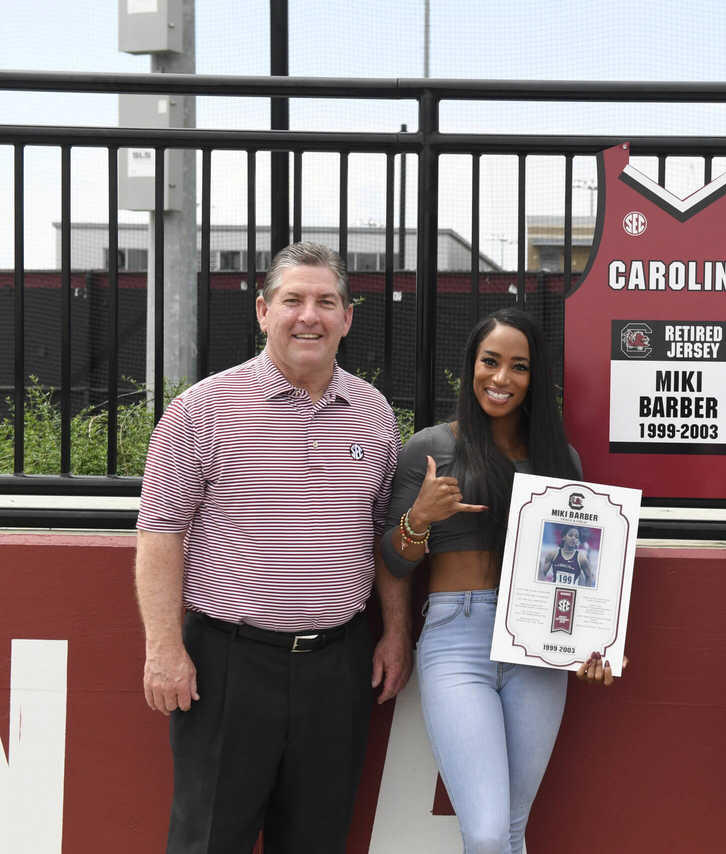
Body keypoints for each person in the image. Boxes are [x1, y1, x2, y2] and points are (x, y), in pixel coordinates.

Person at [135, 242, 412, 854]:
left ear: (347, 318)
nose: (309, 315)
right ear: (263, 311)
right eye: (293, 300)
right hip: (226, 668)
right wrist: (164, 648)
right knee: (209, 840)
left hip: (338, 667)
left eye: (326, 302)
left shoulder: (373, 414)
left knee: (318, 841)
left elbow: (382, 532)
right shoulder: (202, 409)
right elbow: (160, 531)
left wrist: (395, 633)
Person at [381, 307, 621, 854]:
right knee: (488, 832)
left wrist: (594, 643)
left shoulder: (560, 460)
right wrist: (420, 518)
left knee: (512, 829)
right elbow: (393, 561)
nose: (502, 378)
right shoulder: (430, 448)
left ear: (535, 378)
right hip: (457, 635)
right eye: (490, 361)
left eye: (519, 366)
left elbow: (577, 574)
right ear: (472, 365)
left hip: (538, 644)